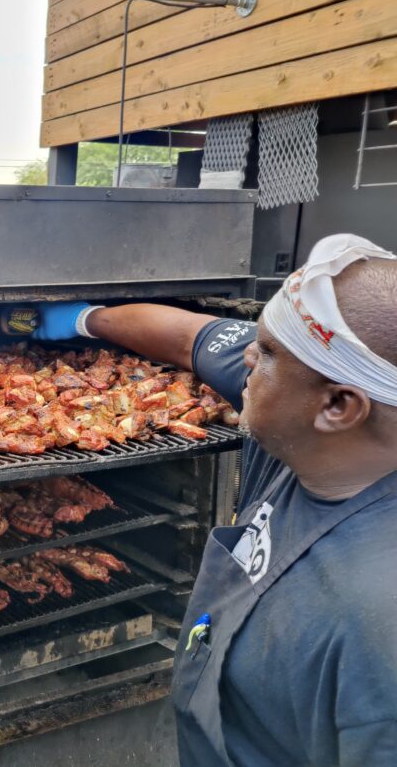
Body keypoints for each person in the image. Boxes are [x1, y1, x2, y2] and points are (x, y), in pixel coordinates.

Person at [26, 234, 397, 766]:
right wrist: (85, 318)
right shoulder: (316, 428)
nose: (246, 353)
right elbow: (189, 337)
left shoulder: (378, 638)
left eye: (266, 354)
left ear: (338, 406)